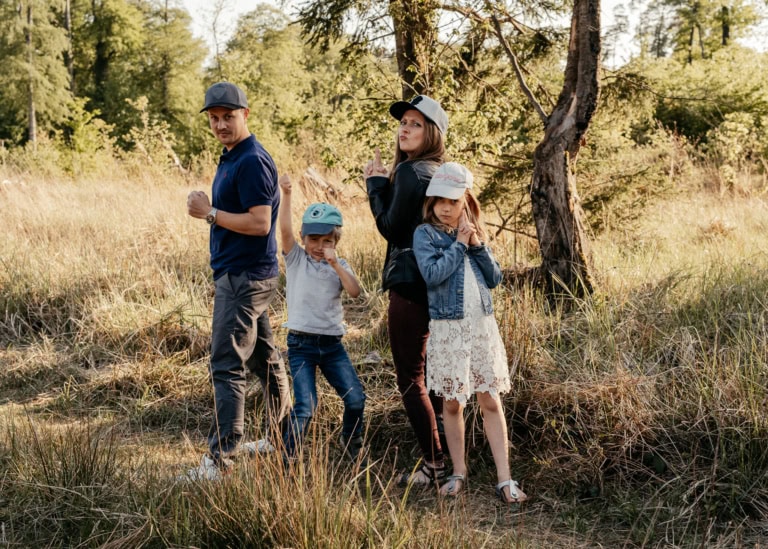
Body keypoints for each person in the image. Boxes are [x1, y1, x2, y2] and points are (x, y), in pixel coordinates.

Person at [185, 81, 291, 480]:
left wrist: (210, 213)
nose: (220, 125)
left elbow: (261, 223)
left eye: (228, 117)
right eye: (214, 118)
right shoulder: (230, 156)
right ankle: (285, 438)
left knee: (226, 364)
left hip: (246, 278)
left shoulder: (251, 160)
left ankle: (220, 461)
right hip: (243, 274)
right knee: (265, 360)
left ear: (245, 115)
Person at [412, 162, 529, 504]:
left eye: (454, 201)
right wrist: (460, 245)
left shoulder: (472, 231)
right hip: (450, 331)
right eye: (440, 201)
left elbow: (494, 278)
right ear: (431, 202)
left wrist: (475, 242)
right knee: (452, 403)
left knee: (490, 399)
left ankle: (505, 479)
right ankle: (458, 471)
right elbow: (432, 275)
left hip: (481, 328)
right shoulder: (425, 234)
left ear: (465, 202)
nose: (446, 208)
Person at [364, 95, 448, 485]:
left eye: (416, 123)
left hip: (410, 284)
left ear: (432, 132)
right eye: (403, 123)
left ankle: (433, 464)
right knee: (434, 374)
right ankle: (450, 454)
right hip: (439, 284)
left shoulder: (413, 173)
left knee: (411, 378)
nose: (404, 129)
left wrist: (375, 186)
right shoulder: (441, 171)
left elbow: (391, 229)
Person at [277, 174, 367, 462]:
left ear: (335, 240)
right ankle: (287, 456)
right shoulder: (296, 259)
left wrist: (335, 264)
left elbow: (355, 292)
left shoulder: (338, 265)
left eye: (326, 240)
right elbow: (285, 230)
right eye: (313, 239)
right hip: (301, 344)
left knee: (355, 398)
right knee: (306, 406)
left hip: (332, 346)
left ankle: (351, 442)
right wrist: (287, 194)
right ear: (304, 239)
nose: (318, 245)